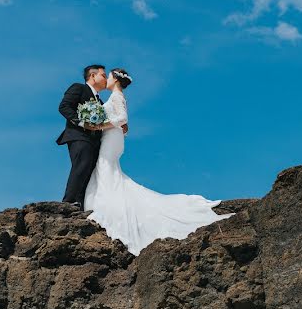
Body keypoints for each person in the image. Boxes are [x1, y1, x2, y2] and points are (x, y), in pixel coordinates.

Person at [82, 68, 234, 255]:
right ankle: (104, 202)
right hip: (112, 137)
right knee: (107, 169)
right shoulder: (115, 96)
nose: (106, 79)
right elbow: (122, 122)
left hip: (111, 138)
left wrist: (100, 125)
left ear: (116, 80)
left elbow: (122, 118)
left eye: (109, 76)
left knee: (106, 167)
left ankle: (108, 206)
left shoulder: (117, 95)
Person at [56, 65, 127, 208]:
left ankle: (81, 205)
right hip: (79, 136)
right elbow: (64, 106)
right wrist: (82, 123)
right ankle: (69, 202)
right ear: (93, 76)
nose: (106, 78)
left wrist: (120, 125)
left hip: (96, 141)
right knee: (81, 166)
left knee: (90, 172)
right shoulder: (78, 88)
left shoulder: (100, 102)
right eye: (103, 75)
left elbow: (112, 119)